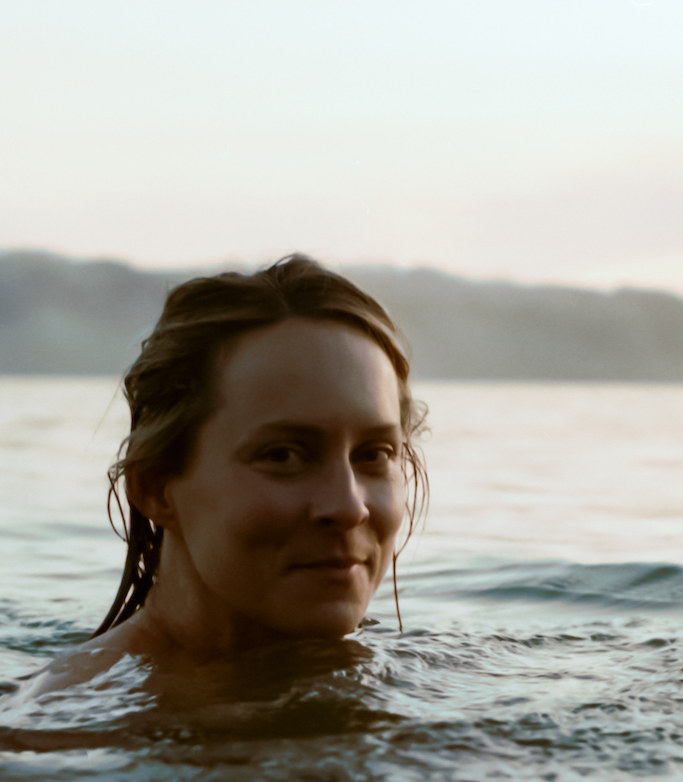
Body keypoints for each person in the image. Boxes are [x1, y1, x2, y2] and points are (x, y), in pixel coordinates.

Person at [35, 255, 426, 695]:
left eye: (374, 454)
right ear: (156, 487)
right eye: (282, 456)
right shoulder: (54, 735)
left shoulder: (433, 683)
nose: (348, 506)